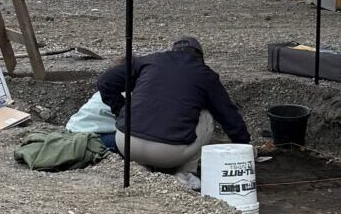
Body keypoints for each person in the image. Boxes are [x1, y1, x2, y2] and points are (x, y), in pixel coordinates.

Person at [96, 36, 252, 183]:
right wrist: (244, 146)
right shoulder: (204, 74)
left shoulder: (151, 60)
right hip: (168, 153)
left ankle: (140, 168)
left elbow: (105, 81)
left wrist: (123, 111)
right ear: (200, 57)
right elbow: (227, 114)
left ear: (173, 50)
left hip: (126, 144)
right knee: (207, 114)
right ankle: (185, 174)